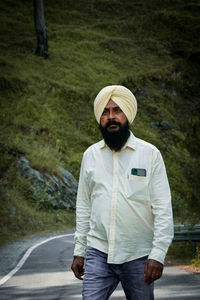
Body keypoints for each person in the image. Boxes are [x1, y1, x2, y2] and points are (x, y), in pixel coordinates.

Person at [71, 85, 174, 300]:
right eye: (105, 112)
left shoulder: (150, 155)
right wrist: (79, 250)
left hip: (138, 256)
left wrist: (158, 255)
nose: (111, 117)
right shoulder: (90, 156)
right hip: (98, 252)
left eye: (117, 110)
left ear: (127, 114)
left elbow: (163, 209)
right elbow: (83, 206)